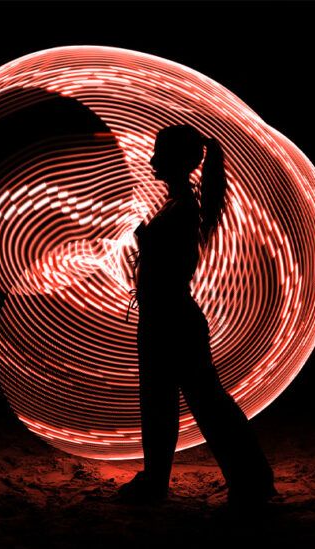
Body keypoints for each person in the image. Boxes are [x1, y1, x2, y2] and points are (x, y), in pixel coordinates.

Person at [117, 125, 278, 507]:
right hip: (165, 317)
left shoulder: (184, 209)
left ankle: (251, 482)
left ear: (178, 161)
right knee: (166, 403)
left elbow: (174, 266)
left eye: (161, 153)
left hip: (171, 319)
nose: (153, 160)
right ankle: (159, 482)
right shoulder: (178, 206)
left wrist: (146, 243)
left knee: (204, 403)